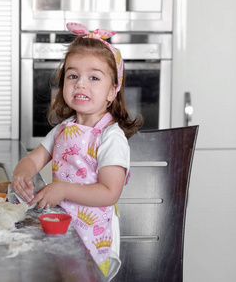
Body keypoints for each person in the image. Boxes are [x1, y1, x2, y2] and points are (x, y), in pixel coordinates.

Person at [12, 22, 143, 280]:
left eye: (94, 77)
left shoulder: (111, 137)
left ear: (112, 92)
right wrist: (21, 175)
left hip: (91, 240)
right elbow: (32, 159)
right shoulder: (63, 129)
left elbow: (109, 192)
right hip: (61, 229)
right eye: (73, 76)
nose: (80, 84)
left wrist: (63, 189)